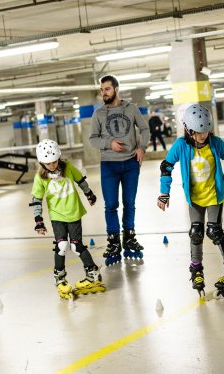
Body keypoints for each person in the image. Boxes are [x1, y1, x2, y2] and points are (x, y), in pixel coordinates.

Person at [157, 104, 224, 298]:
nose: (203, 136)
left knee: (215, 232)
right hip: (195, 199)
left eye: (205, 131)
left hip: (214, 196)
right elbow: (166, 166)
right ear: (188, 129)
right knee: (196, 233)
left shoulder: (215, 143)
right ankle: (196, 271)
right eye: (198, 132)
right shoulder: (181, 145)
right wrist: (164, 193)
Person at [31, 139, 106, 299]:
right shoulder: (40, 177)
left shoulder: (68, 167)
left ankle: (92, 274)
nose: (52, 165)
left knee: (76, 246)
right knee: (62, 245)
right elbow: (36, 199)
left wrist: (89, 194)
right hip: (57, 216)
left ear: (59, 157)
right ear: (42, 163)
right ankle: (60, 278)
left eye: (54, 161)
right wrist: (39, 221)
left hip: (74, 212)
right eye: (48, 163)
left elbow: (81, 180)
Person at [89, 75, 150, 265]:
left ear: (116, 89)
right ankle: (114, 240)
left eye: (107, 89)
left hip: (131, 163)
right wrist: (109, 143)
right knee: (111, 204)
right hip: (109, 164)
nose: (103, 93)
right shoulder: (98, 114)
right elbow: (92, 139)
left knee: (129, 202)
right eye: (102, 90)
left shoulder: (131, 109)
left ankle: (129, 236)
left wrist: (142, 147)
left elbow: (145, 129)